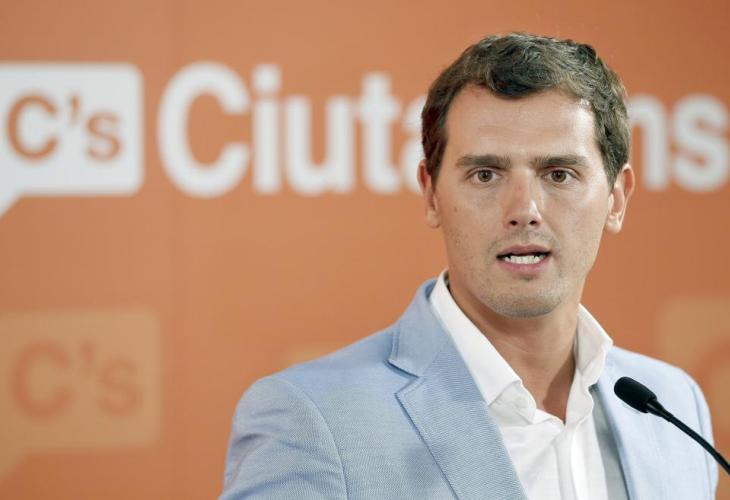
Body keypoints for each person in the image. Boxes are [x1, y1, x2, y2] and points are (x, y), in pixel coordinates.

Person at [221, 33, 719, 499]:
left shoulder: (673, 405)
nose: (524, 210)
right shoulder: (311, 419)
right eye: (486, 174)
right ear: (431, 194)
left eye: (559, 174)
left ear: (617, 199)